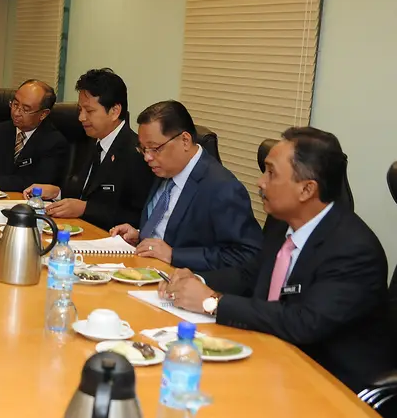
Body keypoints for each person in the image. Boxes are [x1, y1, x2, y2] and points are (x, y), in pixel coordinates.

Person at [160, 127, 391, 392]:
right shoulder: (283, 223)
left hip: (330, 385)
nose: (260, 182)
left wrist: (212, 302)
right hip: (271, 358)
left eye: (271, 172)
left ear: (306, 189)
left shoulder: (353, 250)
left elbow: (303, 322)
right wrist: (195, 280)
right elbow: (250, 274)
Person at [108, 101, 262, 272]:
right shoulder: (165, 170)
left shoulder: (222, 188)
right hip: (146, 270)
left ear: (185, 141)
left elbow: (247, 256)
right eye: (143, 149)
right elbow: (171, 232)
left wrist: (174, 255)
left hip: (185, 285)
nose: (147, 157)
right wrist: (140, 236)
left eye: (154, 148)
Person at [24, 68, 154, 230]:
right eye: (80, 110)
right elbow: (82, 194)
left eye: (90, 111)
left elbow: (138, 216)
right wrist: (57, 193)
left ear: (115, 111)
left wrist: (86, 209)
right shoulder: (91, 141)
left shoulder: (137, 153)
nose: (81, 118)